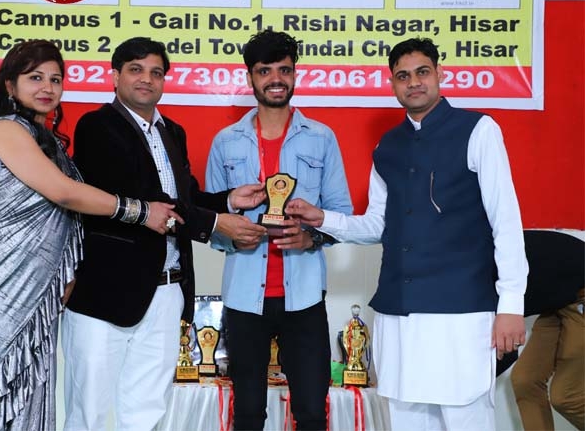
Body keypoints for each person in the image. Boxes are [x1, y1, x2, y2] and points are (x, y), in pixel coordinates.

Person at [285, 37, 528, 431]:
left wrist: (511, 304)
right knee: (405, 418)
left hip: (461, 311)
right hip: (397, 312)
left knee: (466, 417)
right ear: (392, 83)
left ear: (440, 74)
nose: (414, 82)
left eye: (422, 72)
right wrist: (322, 218)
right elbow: (377, 225)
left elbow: (506, 220)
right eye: (403, 76)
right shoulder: (388, 146)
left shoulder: (479, 130)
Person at [61, 37, 267, 431]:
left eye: (156, 72)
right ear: (115, 75)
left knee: (148, 412)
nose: (147, 79)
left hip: (167, 291)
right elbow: (143, 200)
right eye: (136, 70)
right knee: (88, 412)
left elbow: (182, 199)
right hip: (105, 291)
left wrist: (228, 201)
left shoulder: (173, 131)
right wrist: (214, 224)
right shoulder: (96, 127)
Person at [0, 40, 126, 431]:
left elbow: (64, 215)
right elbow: (64, 193)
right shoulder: (5, 129)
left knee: (33, 387)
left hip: (38, 285)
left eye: (55, 79)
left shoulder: (47, 142)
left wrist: (65, 272)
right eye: (35, 78)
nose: (47, 87)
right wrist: (138, 211)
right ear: (9, 85)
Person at [205, 29, 353, 430]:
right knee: (248, 413)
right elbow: (211, 222)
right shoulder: (225, 142)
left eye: (284, 70)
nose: (276, 79)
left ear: (295, 75)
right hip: (243, 299)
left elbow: (340, 214)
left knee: (311, 412)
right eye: (265, 70)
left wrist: (311, 237)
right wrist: (234, 234)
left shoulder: (321, 138)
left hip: (303, 297)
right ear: (250, 77)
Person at [510, 230, 584, 431]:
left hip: (578, 292)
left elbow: (506, 348)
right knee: (525, 381)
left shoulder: (476, 270)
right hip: (559, 300)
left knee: (567, 396)